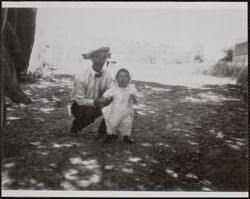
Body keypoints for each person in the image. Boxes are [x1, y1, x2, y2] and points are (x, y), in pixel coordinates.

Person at [69, 47, 113, 137]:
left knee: (116, 103)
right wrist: (95, 102)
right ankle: (75, 126)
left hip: (99, 104)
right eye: (98, 57)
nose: (101, 60)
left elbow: (112, 89)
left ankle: (103, 131)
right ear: (92, 58)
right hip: (80, 105)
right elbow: (80, 100)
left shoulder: (108, 76)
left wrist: (106, 97)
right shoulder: (81, 76)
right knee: (89, 113)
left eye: (104, 57)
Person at [99, 68, 137, 144]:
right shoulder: (114, 88)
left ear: (129, 79)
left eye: (125, 76)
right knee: (113, 123)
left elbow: (135, 100)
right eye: (120, 76)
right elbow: (107, 94)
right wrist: (104, 98)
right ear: (116, 78)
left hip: (127, 110)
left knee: (127, 124)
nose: (123, 78)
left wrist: (133, 96)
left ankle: (126, 137)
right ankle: (109, 135)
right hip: (115, 110)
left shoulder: (131, 88)